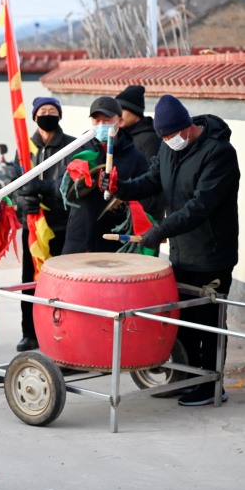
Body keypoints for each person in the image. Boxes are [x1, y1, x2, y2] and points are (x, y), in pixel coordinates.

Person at [102, 94, 239, 406]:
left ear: (187, 129)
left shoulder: (219, 154)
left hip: (211, 254)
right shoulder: (168, 147)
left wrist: (158, 231)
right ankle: (189, 379)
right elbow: (152, 180)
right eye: (163, 137)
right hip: (180, 251)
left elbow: (199, 206)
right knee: (183, 319)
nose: (166, 141)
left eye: (169, 136)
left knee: (208, 322)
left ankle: (211, 385)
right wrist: (120, 188)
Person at [12, 97, 74, 351]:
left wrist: (45, 187)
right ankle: (30, 332)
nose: (47, 115)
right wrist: (22, 200)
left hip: (61, 225)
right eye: (43, 111)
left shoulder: (71, 145)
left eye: (52, 111)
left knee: (61, 284)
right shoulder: (24, 146)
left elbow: (69, 184)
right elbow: (14, 183)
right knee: (30, 281)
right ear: (35, 116)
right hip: (33, 227)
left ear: (59, 115)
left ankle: (61, 332)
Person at [61, 96, 148, 255]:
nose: (101, 125)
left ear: (120, 121)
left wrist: (121, 196)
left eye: (107, 120)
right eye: (96, 120)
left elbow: (145, 196)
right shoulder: (78, 149)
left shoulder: (136, 157)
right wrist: (84, 181)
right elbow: (60, 188)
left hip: (113, 240)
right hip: (78, 237)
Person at [115, 85, 165, 223]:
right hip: (124, 215)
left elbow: (153, 181)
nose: (118, 115)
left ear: (135, 112)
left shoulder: (150, 139)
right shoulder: (122, 137)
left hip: (144, 218)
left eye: (123, 110)